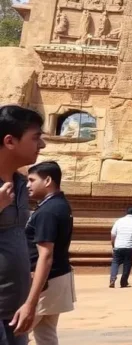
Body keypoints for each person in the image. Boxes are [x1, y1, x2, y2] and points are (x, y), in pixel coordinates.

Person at [0, 105, 45, 345]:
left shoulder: (21, 184)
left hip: (16, 310)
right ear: (10, 141)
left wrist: (29, 302)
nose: (42, 145)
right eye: (36, 137)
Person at [19, 162, 74, 345]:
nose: (28, 185)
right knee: (46, 334)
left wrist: (31, 300)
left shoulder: (48, 211)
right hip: (57, 278)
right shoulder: (60, 205)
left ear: (48, 180)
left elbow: (45, 255)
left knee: (16, 331)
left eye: (32, 180)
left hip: (44, 282)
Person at [110, 206, 132, 288]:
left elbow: (113, 234)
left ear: (126, 212)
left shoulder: (119, 221)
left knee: (115, 262)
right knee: (127, 264)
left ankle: (112, 278)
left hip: (118, 245)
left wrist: (113, 245)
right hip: (130, 246)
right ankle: (124, 282)